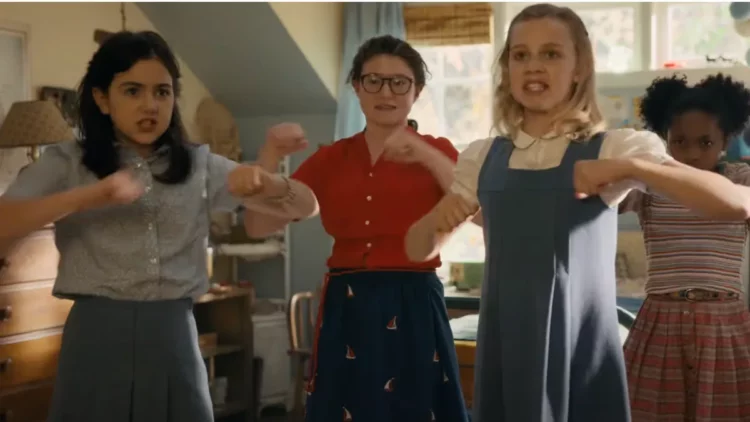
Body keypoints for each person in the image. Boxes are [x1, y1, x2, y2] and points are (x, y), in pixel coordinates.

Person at [404, 4, 750, 422]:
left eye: (551, 54)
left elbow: (738, 202)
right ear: (507, 69)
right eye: (520, 55)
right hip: (506, 351)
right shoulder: (482, 158)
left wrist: (630, 169)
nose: (534, 66)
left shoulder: (614, 149)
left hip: (580, 355)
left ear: (579, 67)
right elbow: (418, 249)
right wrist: (440, 208)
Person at [0, 31, 317, 422]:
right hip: (95, 339)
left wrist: (268, 177)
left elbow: (307, 205)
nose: (150, 105)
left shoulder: (199, 165)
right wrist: (86, 197)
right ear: (102, 98)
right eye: (132, 91)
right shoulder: (66, 162)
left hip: (174, 337)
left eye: (162, 92)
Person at [246, 35, 469, 422]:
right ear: (356, 87)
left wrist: (425, 154)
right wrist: (270, 155)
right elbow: (257, 224)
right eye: (374, 81)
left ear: (416, 91)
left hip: (415, 301)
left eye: (399, 82)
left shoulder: (438, 151)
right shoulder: (330, 158)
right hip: (348, 302)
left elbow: (473, 203)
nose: (386, 92)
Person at [622, 73, 750, 422]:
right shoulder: (649, 184)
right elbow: (598, 203)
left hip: (724, 325)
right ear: (664, 139)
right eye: (679, 141)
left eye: (705, 142)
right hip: (660, 323)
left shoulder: (739, 180)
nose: (692, 153)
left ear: (725, 140)